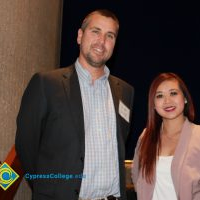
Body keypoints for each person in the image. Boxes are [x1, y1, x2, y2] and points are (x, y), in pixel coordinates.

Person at [15, 9, 134, 200]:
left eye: (109, 35)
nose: (101, 41)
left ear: (114, 44)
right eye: (95, 31)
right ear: (80, 36)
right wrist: (48, 187)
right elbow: (26, 145)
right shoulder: (46, 84)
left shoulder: (126, 92)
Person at [131, 73, 200, 200]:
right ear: (153, 104)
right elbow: (136, 177)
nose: (167, 101)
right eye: (160, 96)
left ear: (185, 98)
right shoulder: (145, 136)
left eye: (173, 93)